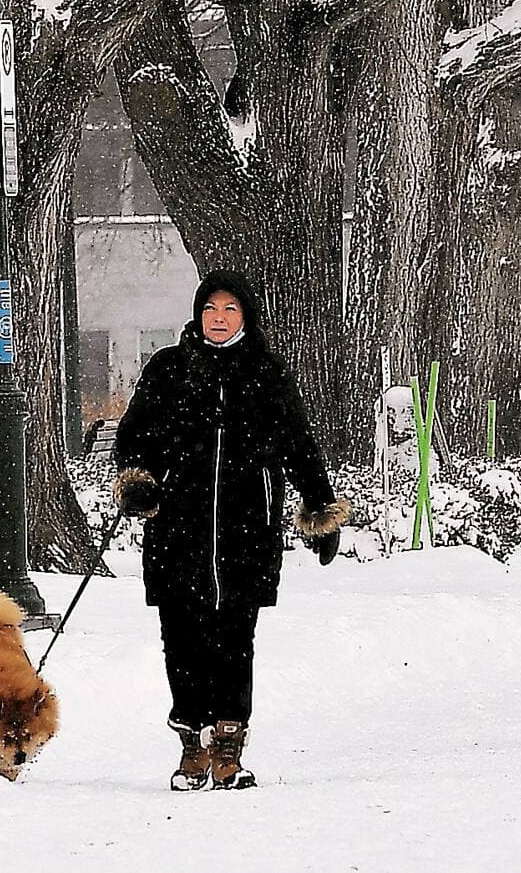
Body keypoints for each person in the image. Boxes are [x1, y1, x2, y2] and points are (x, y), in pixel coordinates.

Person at [113, 270, 348, 791]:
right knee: (182, 638)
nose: (219, 319)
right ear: (198, 314)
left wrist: (319, 504)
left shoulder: (265, 371)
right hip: (179, 529)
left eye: (230, 309)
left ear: (246, 316)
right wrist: (139, 481)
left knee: (235, 639)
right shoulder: (169, 368)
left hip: (248, 530)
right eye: (210, 309)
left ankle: (228, 748)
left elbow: (298, 443)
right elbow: (133, 435)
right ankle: (191, 745)